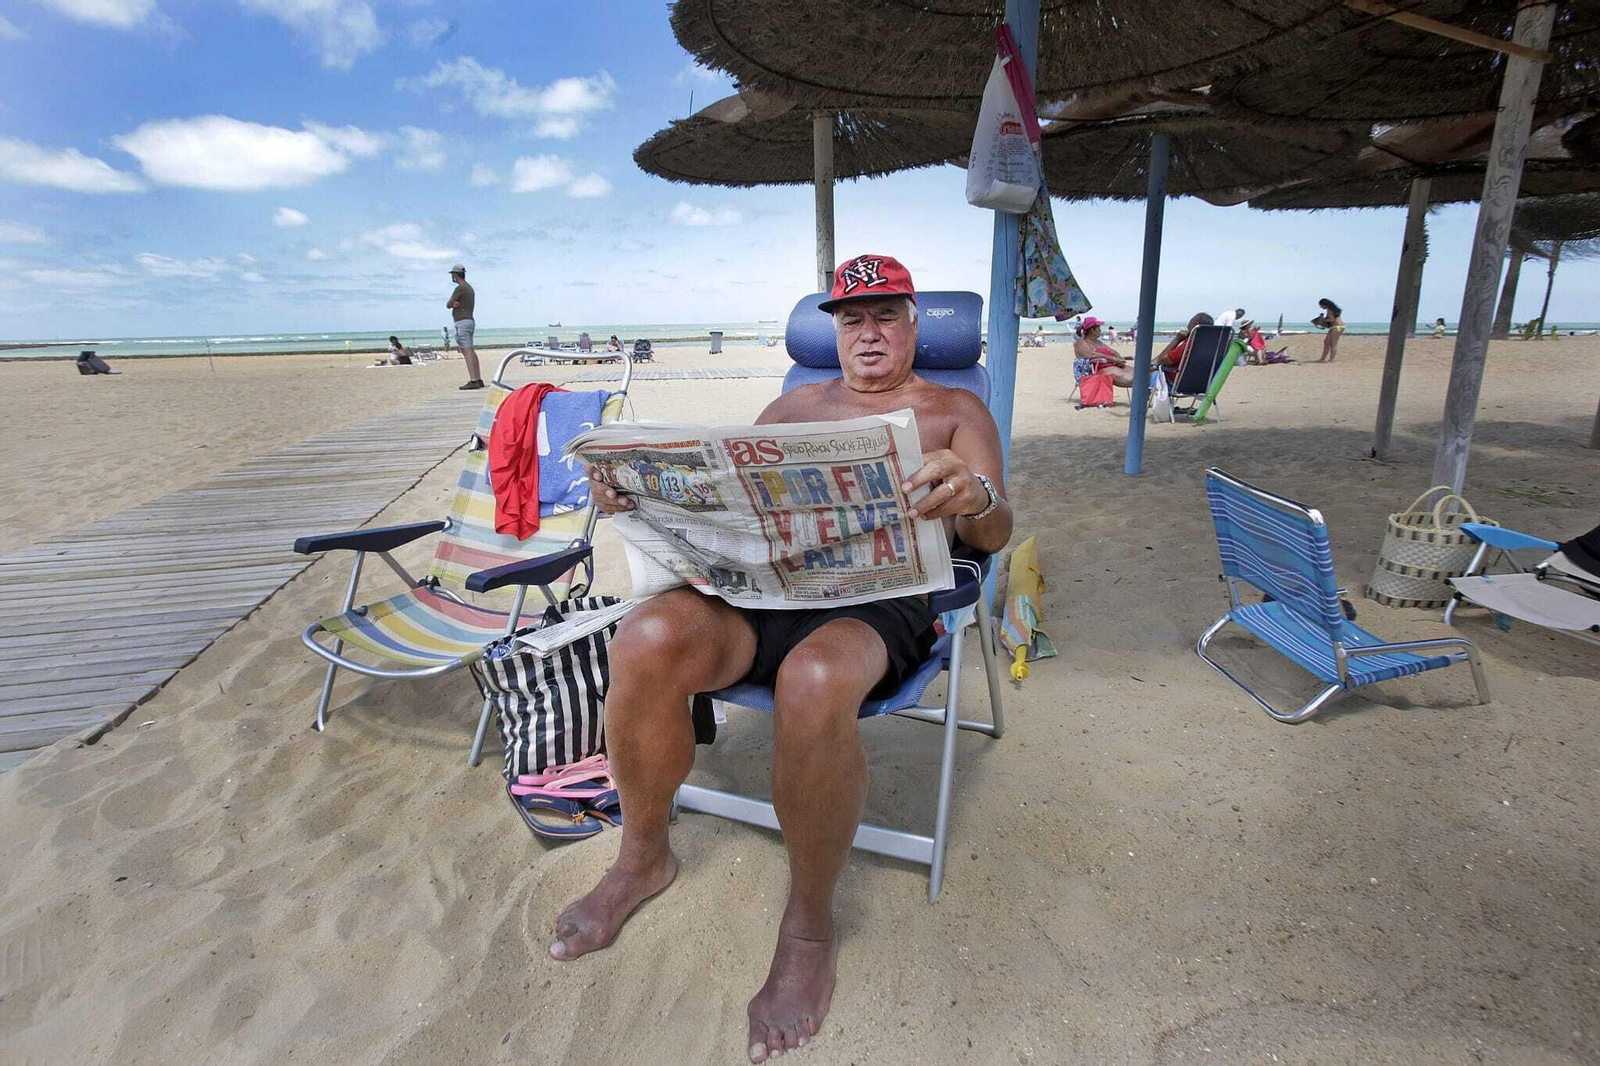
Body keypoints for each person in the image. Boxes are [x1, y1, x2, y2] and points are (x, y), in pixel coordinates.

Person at [549, 254, 1012, 1065]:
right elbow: (728, 498)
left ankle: (807, 925)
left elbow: (997, 529)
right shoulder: (794, 402)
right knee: (645, 639)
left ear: (914, 326)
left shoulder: (954, 408)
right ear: (831, 331)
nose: (867, 333)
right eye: (850, 320)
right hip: (761, 597)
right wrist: (633, 493)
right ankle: (643, 856)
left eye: (885, 316)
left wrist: (973, 497)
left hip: (878, 603)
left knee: (816, 678)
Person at [1072, 315, 1134, 391]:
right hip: (1099, 369)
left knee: (1140, 373)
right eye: (1099, 328)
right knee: (1131, 379)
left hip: (1114, 365)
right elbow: (1091, 354)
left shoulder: (1098, 342)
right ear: (1092, 330)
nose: (1100, 331)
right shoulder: (1081, 342)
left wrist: (1119, 358)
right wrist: (1112, 359)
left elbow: (1113, 351)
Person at [447, 264, 481, 389]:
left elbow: (448, 304)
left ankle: (473, 380)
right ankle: (477, 378)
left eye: (453, 275)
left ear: (456, 275)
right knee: (470, 350)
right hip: (469, 320)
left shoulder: (460, 288)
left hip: (461, 321)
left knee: (466, 350)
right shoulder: (469, 288)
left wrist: (452, 303)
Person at [1314, 298, 1344, 363]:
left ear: (1324, 304)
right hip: (1337, 327)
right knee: (1326, 342)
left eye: (1321, 305)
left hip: (1337, 327)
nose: (1321, 307)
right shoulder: (1333, 309)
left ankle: (1331, 360)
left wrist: (1322, 320)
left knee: (1333, 343)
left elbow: (1331, 320)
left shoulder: (1329, 310)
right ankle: (1323, 359)